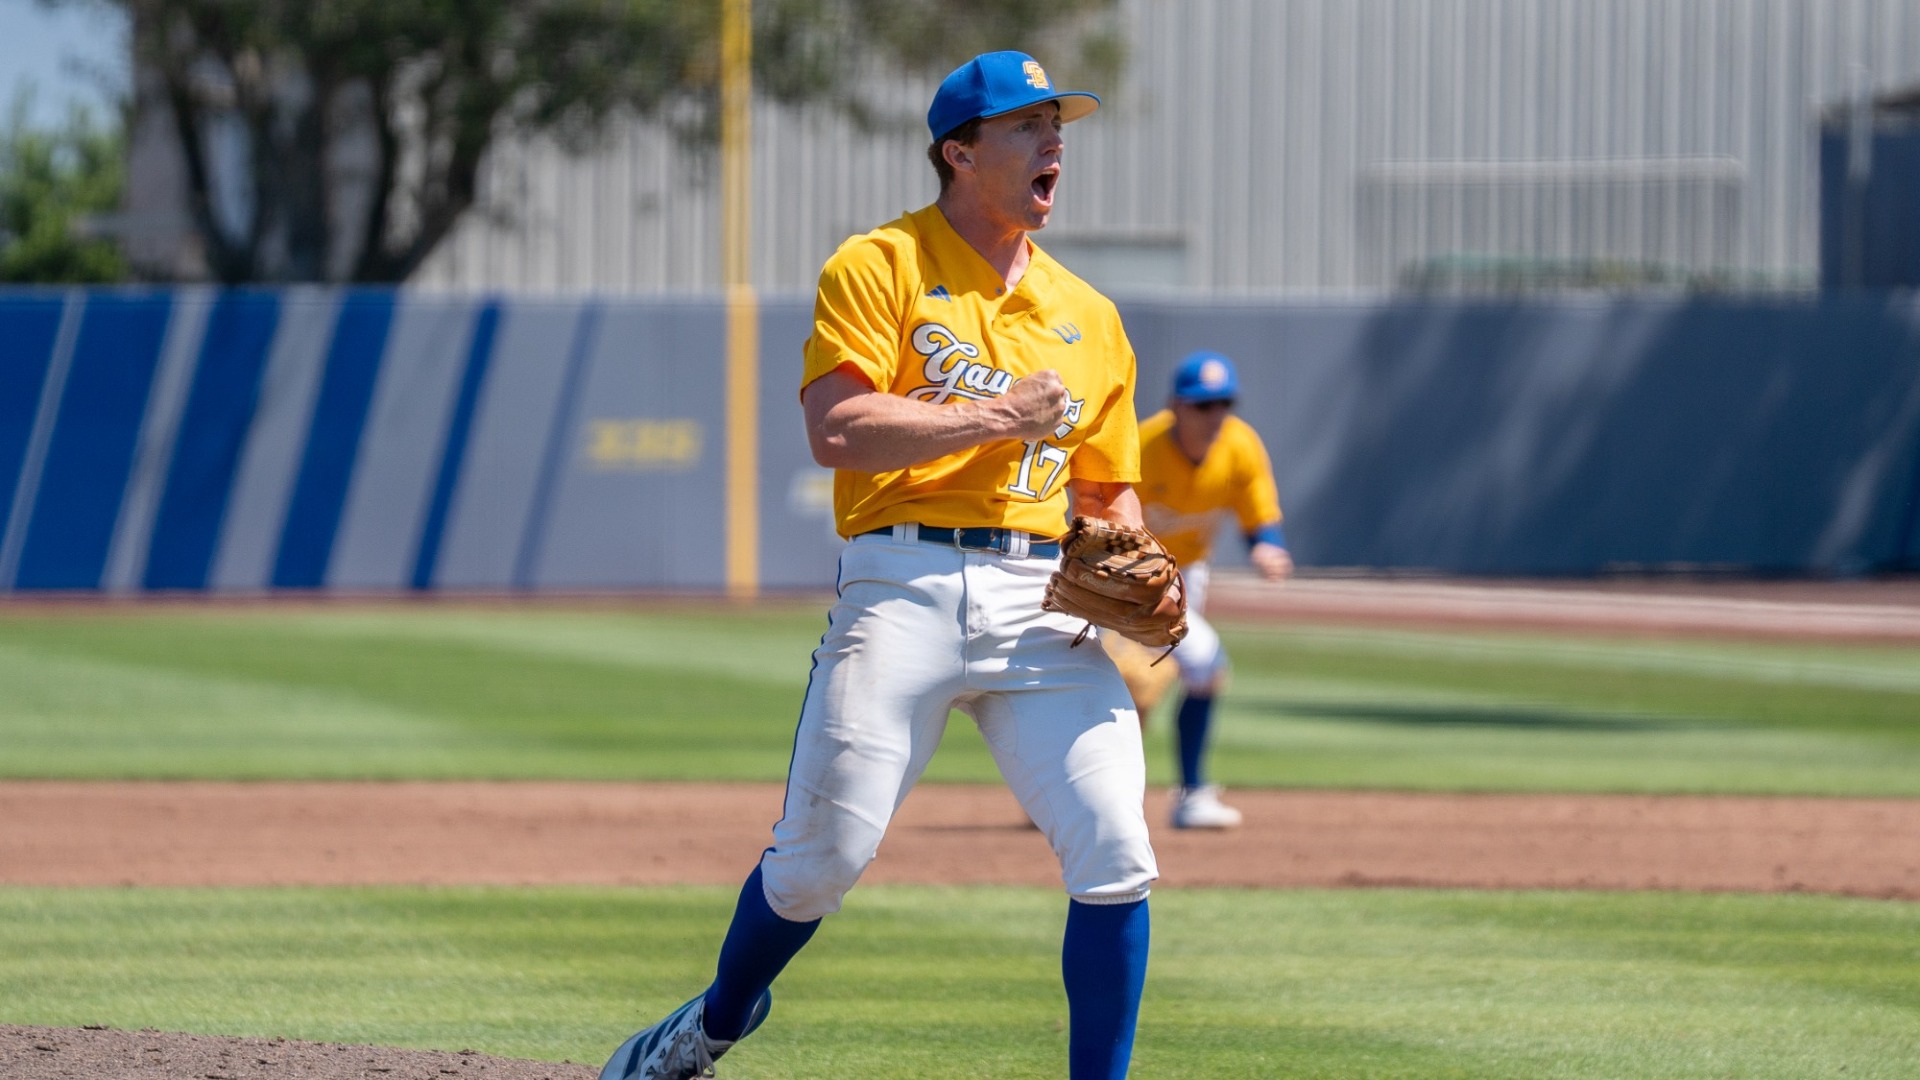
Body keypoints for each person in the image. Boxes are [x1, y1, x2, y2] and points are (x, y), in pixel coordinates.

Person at [600, 51, 1157, 1080]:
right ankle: (710, 1026)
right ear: (959, 152)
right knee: (819, 865)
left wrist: (1131, 555)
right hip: (903, 585)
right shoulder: (880, 264)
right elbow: (839, 430)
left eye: (1058, 124)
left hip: (1040, 605)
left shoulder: (1092, 316)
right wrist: (996, 415)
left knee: (1118, 851)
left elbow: (1108, 495)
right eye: (1028, 125)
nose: (1055, 142)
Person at [1132, 350, 1292, 829]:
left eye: (1223, 403)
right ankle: (1188, 794)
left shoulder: (1240, 446)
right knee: (1164, 679)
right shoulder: (1144, 445)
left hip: (1187, 578)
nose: (1215, 415)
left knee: (1184, 679)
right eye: (1203, 405)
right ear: (1175, 406)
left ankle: (1190, 794)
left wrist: (1266, 547)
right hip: (1128, 577)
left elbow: (1259, 512)